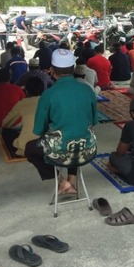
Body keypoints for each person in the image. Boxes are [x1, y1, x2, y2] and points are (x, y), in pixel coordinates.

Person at [25, 49, 98, 195]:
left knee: (30, 148)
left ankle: (62, 182)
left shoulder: (48, 95)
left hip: (59, 153)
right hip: (88, 149)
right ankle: (71, 181)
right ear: (73, 69)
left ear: (51, 71)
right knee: (75, 134)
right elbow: (94, 121)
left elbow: (39, 130)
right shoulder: (87, 90)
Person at [2, 77, 44, 157]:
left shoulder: (23, 103)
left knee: (6, 131)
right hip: (49, 147)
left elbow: (5, 123)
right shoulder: (49, 101)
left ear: (26, 91)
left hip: (27, 148)